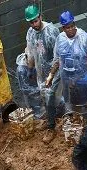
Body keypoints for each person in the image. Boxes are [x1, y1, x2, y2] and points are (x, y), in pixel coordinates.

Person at [25, 4, 63, 143]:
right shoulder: (30, 32)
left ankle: (51, 127)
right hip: (41, 72)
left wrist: (51, 75)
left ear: (40, 17)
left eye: (35, 20)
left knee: (51, 96)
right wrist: (30, 68)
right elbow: (30, 51)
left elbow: (58, 56)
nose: (34, 24)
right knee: (46, 97)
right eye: (31, 22)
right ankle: (52, 118)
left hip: (55, 71)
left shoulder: (51, 31)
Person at [47, 11, 87, 117]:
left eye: (72, 26)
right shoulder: (60, 39)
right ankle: (77, 124)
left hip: (84, 79)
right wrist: (51, 75)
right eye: (67, 27)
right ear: (63, 28)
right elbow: (57, 59)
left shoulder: (85, 38)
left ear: (74, 24)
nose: (71, 29)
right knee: (73, 106)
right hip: (67, 80)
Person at [16, 48, 41, 118]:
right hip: (31, 97)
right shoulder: (21, 70)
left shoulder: (36, 64)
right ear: (27, 59)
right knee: (36, 113)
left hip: (39, 93)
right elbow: (25, 89)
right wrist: (39, 89)